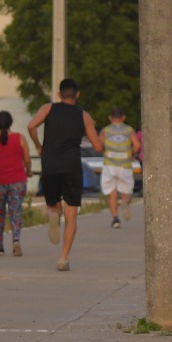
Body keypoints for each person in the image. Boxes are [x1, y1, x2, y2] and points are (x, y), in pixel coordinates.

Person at [27, 78, 98, 272]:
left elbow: (31, 126)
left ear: (59, 94)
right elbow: (98, 146)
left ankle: (54, 212)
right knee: (72, 214)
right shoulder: (84, 116)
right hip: (72, 166)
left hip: (50, 164)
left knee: (53, 203)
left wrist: (39, 146)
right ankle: (64, 258)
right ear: (77, 95)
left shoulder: (48, 109)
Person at [0, 110, 30, 255]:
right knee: (15, 211)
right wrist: (29, 171)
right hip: (17, 181)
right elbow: (27, 160)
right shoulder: (20, 138)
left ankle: (0, 246)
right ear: (11, 122)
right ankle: (16, 240)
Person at [101, 110, 139, 226]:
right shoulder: (129, 130)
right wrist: (131, 154)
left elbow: (99, 145)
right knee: (127, 191)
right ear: (123, 117)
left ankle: (115, 219)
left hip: (109, 165)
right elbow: (137, 145)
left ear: (110, 118)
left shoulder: (105, 130)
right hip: (125, 165)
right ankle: (125, 202)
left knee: (112, 193)